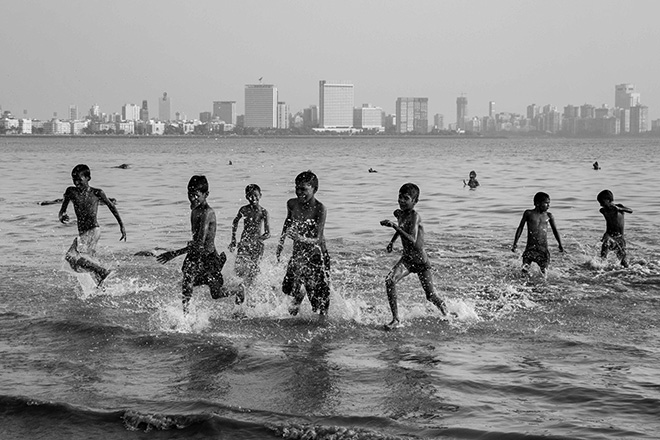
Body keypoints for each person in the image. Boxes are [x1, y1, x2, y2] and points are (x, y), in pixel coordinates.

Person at [157, 175, 244, 312]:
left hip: (208, 257)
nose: (192, 198)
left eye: (196, 195)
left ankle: (238, 290)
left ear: (206, 194)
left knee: (216, 294)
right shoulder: (195, 209)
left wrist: (173, 254)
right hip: (195, 254)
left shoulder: (207, 212)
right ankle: (186, 317)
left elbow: (199, 243)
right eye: (190, 194)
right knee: (187, 283)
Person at [380, 183, 448, 330]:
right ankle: (396, 319)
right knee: (390, 280)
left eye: (406, 198)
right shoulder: (400, 214)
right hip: (407, 259)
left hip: (421, 260)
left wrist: (394, 226)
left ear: (415, 202)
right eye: (400, 197)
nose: (401, 200)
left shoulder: (415, 216)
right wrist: (392, 241)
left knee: (430, 296)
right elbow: (402, 228)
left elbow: (412, 238)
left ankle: (447, 313)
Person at [59, 164, 126, 286]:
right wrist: (62, 215)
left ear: (88, 178)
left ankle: (102, 271)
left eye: (79, 179)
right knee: (76, 263)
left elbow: (112, 206)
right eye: (74, 179)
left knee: (71, 256)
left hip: (93, 230)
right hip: (83, 232)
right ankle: (100, 282)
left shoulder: (97, 192)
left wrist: (121, 226)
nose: (76, 182)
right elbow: (62, 209)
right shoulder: (71, 191)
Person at [276, 171, 330, 317]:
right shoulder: (292, 204)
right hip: (299, 254)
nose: (299, 192)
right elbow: (287, 222)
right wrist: (280, 243)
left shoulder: (320, 209)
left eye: (304, 189)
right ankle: (300, 294)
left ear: (314, 189)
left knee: (319, 302)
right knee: (287, 288)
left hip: (316, 256)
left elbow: (318, 239)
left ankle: (322, 326)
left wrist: (300, 238)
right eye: (297, 188)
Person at [511, 191, 564, 276]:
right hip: (530, 248)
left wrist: (560, 244)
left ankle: (543, 288)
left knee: (544, 273)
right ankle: (523, 287)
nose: (548, 205)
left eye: (548, 203)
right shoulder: (529, 213)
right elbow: (520, 227)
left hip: (543, 249)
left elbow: (555, 230)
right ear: (537, 203)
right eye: (546, 203)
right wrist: (515, 243)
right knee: (524, 271)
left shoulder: (549, 216)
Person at [229, 184, 271, 286]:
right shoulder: (244, 209)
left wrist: (258, 239)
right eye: (250, 196)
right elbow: (235, 222)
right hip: (244, 243)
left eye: (255, 195)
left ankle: (255, 288)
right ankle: (240, 288)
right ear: (246, 197)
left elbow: (268, 233)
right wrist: (233, 239)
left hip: (257, 245)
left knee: (254, 269)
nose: (253, 198)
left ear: (260, 195)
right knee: (238, 269)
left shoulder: (263, 212)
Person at [597, 189, 632, 267]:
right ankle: (601, 266)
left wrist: (620, 209)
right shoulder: (603, 211)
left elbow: (630, 210)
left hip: (620, 238)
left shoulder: (618, 207)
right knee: (605, 247)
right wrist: (606, 234)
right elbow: (608, 223)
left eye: (602, 202)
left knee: (623, 263)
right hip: (610, 236)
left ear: (608, 200)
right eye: (599, 203)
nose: (601, 205)